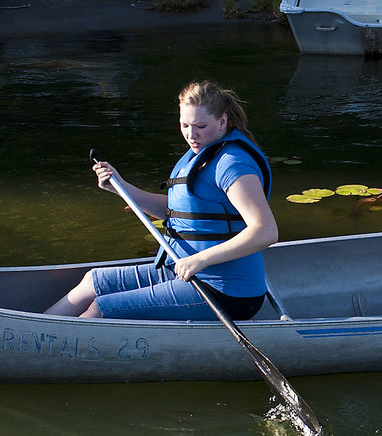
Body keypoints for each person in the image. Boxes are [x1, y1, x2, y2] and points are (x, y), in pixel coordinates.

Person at [46, 80, 276, 320]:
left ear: (222, 121)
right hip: (184, 271)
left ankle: (44, 351)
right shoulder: (203, 152)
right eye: (184, 125)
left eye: (200, 126)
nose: (190, 134)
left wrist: (200, 259)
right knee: (93, 282)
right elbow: (176, 212)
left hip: (224, 291)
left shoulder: (233, 165)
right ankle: (36, 334)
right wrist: (119, 186)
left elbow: (265, 231)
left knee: (101, 309)